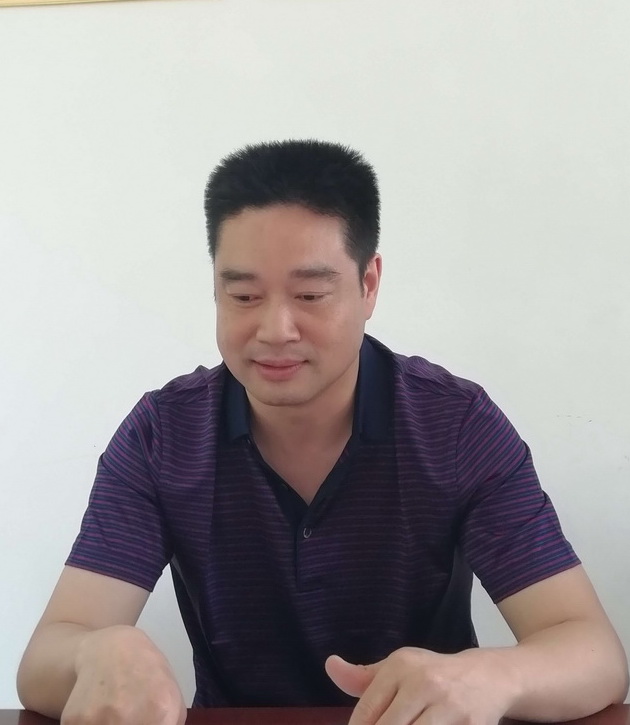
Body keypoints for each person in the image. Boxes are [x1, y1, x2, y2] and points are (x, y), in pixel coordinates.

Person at [17, 140, 627, 725]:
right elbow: (45, 660)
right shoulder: (163, 437)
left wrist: (490, 677)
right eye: (243, 295)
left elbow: (592, 653)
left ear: (369, 284)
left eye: (310, 293)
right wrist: (96, 654)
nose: (275, 329)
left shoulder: (455, 426)